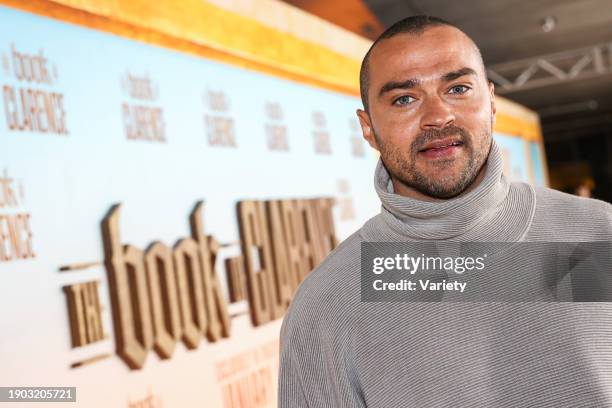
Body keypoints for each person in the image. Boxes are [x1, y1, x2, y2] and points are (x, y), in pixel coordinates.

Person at [278, 16, 612, 407]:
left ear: (489, 103)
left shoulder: (597, 234)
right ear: (368, 128)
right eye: (404, 98)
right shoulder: (329, 306)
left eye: (458, 88)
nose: (438, 116)